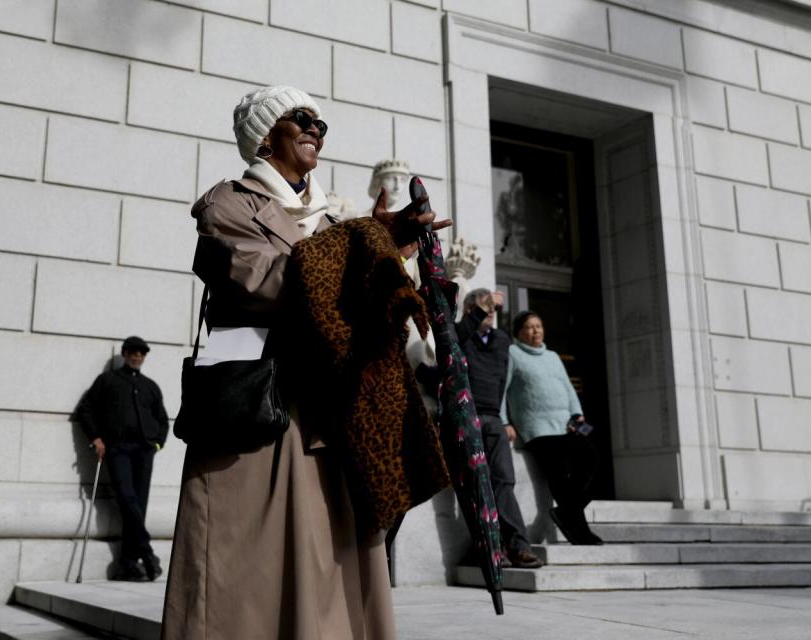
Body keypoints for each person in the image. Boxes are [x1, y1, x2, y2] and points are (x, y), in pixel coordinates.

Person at [161, 85, 449, 640]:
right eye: (302, 119)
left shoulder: (337, 221)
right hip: (258, 413)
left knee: (333, 564)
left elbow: (357, 303)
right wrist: (370, 241)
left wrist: (403, 272)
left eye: (322, 122)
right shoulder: (229, 203)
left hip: (333, 413)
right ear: (267, 137)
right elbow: (268, 283)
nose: (316, 129)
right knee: (242, 568)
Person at [456, 289, 543, 568]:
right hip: (467, 417)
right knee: (476, 485)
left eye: (492, 308)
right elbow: (453, 343)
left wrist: (507, 419)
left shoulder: (503, 340)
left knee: (504, 482)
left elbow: (506, 382)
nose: (490, 311)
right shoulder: (461, 334)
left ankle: (519, 547)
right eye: (484, 307)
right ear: (470, 309)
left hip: (494, 420)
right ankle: (490, 549)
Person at [499, 311, 602, 545]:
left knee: (592, 459)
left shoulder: (553, 356)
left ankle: (567, 512)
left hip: (565, 424)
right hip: (537, 428)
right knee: (559, 480)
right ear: (518, 332)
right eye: (529, 327)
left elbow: (567, 387)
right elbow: (501, 389)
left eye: (539, 326)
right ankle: (580, 533)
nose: (536, 330)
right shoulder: (512, 353)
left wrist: (577, 413)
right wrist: (504, 421)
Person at [76, 335, 169, 581]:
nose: (137, 356)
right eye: (133, 352)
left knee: (138, 505)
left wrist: (157, 444)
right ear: (125, 354)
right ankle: (147, 552)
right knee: (128, 500)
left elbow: (162, 419)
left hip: (144, 451)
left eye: (141, 353)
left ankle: (128, 564)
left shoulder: (151, 386)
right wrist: (96, 438)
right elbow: (85, 409)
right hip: (117, 449)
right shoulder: (108, 380)